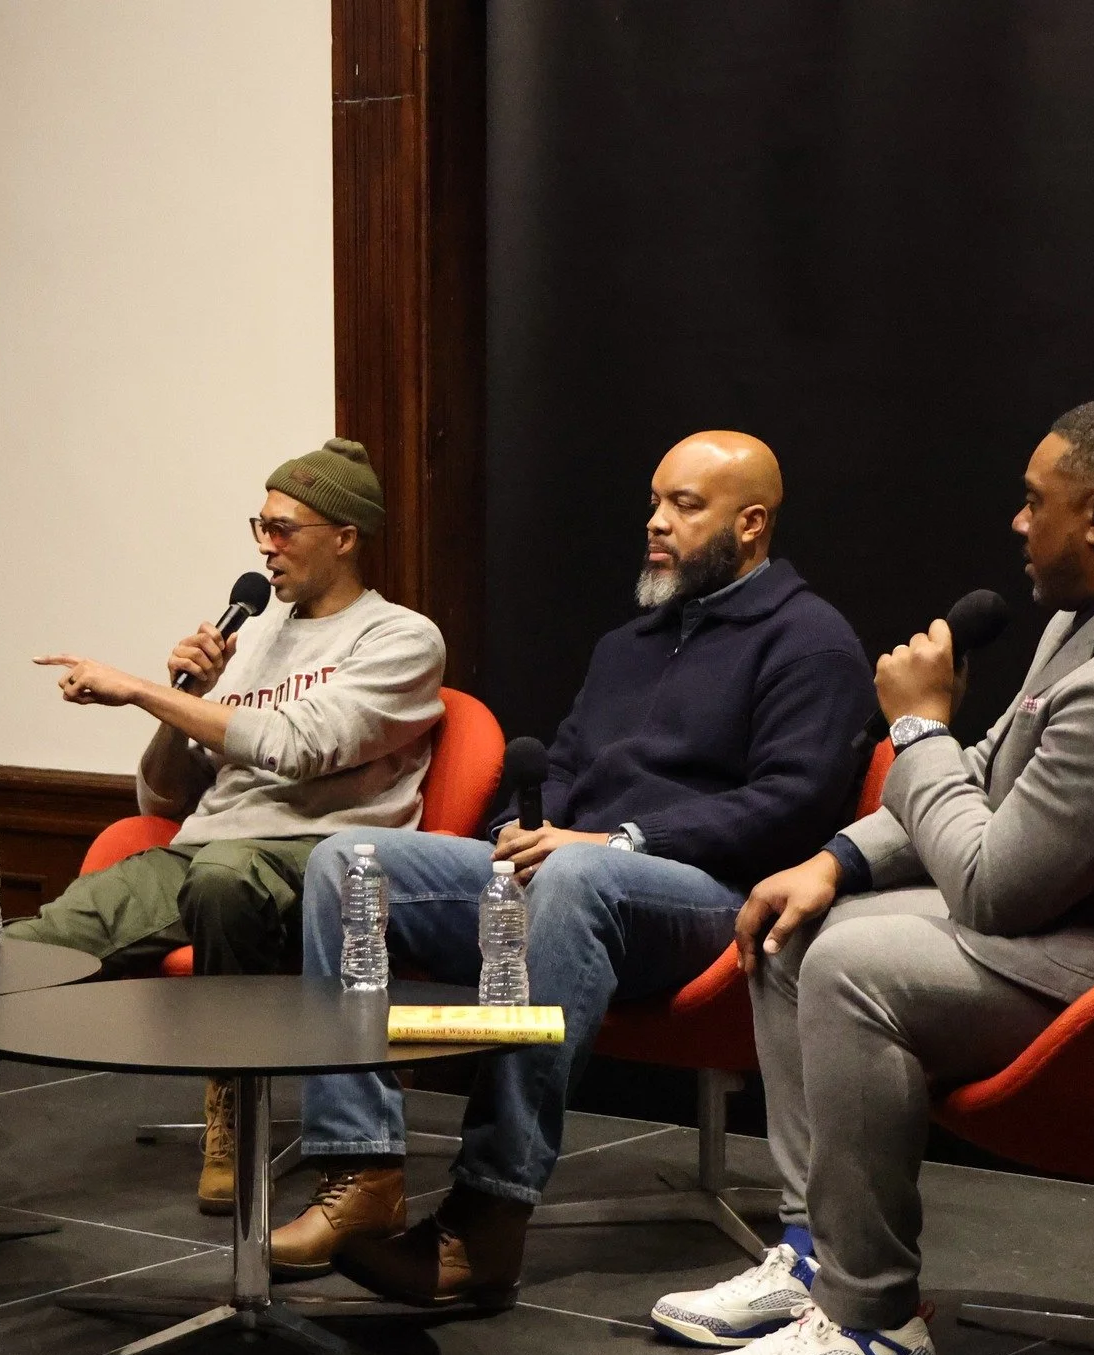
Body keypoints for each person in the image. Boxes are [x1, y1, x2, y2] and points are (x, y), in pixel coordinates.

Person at [662, 399, 1094, 1355]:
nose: (1017, 523)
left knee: (851, 967)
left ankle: (875, 1331)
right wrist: (836, 858)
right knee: (802, 929)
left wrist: (915, 728)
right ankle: (819, 1257)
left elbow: (993, 887)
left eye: (1032, 501)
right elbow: (990, 775)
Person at [280, 430, 877, 1303]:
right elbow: (561, 768)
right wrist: (520, 832)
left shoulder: (811, 641)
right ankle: (362, 1170)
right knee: (347, 861)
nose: (656, 523)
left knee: (574, 878)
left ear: (751, 524)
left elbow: (793, 804)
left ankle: (486, 1221)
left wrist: (616, 843)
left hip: (715, 901)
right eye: (654, 501)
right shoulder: (627, 644)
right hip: (574, 875)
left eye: (684, 506)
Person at [7, 438, 445, 1213]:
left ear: (345, 538)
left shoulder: (400, 639)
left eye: (286, 529)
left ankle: (232, 1109)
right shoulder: (252, 641)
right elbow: (163, 800)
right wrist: (185, 706)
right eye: (261, 526)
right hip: (203, 849)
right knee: (17, 958)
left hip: (318, 860)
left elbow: (295, 747)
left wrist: (143, 691)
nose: (265, 548)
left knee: (223, 878)